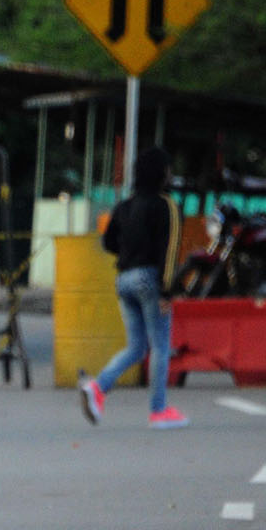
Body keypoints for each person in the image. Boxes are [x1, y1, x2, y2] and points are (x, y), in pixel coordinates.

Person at [76, 147, 188, 429]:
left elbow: (108, 242)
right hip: (150, 280)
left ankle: (98, 387)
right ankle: (159, 410)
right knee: (160, 346)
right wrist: (167, 290)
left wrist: (129, 252)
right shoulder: (166, 205)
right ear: (162, 173)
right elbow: (170, 250)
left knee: (137, 347)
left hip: (124, 278)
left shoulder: (125, 205)